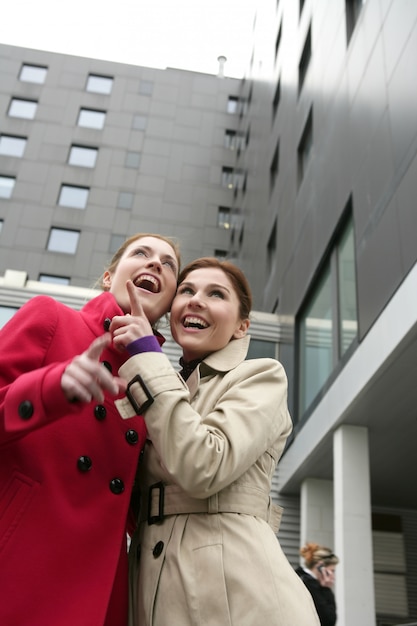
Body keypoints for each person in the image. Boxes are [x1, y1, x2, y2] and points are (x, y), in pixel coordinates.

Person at [113, 257, 320, 626]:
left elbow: (204, 465)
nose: (195, 300)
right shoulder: (156, 381)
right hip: (152, 589)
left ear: (242, 327)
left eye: (216, 294)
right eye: (187, 291)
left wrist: (147, 357)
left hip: (239, 597)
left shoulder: (261, 376)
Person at [0, 233, 180, 626]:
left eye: (168, 265)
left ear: (169, 303)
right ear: (108, 276)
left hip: (101, 595)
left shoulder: (159, 386)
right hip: (18, 571)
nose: (155, 264)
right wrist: (50, 388)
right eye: (142, 254)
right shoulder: (50, 318)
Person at [295, 542, 339, 626]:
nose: (333, 576)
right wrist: (326, 589)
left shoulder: (300, 578)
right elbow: (328, 620)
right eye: (332, 571)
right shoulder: (310, 585)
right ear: (320, 567)